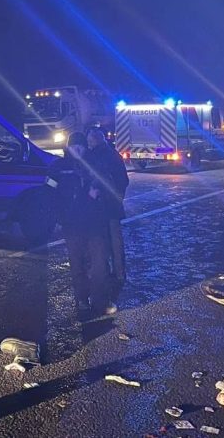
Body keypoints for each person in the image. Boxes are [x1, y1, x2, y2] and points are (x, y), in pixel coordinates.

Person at [47, 132, 110, 316]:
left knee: (99, 265)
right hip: (71, 224)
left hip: (94, 224)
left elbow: (107, 184)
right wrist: (57, 217)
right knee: (77, 264)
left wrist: (98, 191)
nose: (77, 150)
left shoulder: (94, 164)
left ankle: (99, 300)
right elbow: (49, 193)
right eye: (74, 147)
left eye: (80, 147)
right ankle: (82, 299)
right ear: (69, 147)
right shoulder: (59, 167)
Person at [85, 127, 129, 313]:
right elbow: (124, 181)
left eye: (90, 141)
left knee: (102, 241)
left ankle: (105, 272)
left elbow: (92, 180)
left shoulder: (93, 156)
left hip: (100, 207)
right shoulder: (113, 155)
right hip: (113, 206)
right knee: (115, 241)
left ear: (94, 140)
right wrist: (118, 197)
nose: (89, 144)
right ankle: (119, 273)